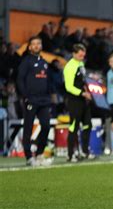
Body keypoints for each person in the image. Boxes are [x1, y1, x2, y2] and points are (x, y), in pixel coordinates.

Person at [16, 36, 55, 166]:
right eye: (34, 44)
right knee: (28, 127)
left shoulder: (44, 62)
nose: (37, 46)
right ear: (30, 47)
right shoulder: (26, 61)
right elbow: (20, 80)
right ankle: (28, 157)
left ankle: (39, 154)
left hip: (44, 100)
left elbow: (48, 81)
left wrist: (51, 94)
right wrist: (25, 96)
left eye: (39, 43)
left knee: (46, 126)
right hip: (31, 100)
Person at [63, 44, 94, 162]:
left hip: (83, 100)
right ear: (74, 54)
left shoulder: (81, 64)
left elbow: (83, 80)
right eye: (80, 54)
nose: (82, 56)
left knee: (87, 125)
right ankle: (70, 154)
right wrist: (82, 93)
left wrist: (87, 91)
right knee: (74, 127)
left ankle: (84, 151)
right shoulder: (70, 67)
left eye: (83, 54)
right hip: (74, 100)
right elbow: (69, 87)